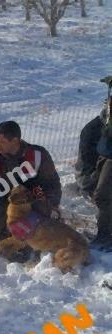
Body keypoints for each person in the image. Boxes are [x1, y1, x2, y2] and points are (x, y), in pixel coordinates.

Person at [0, 120, 62, 246]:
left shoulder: (38, 155)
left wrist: (52, 206)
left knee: (38, 242)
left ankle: (23, 239)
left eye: (2, 142)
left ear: (15, 141)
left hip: (30, 205)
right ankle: (7, 237)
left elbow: (52, 183)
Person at [75, 79, 112, 250]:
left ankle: (106, 236)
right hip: (101, 171)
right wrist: (87, 185)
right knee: (103, 196)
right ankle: (106, 235)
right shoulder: (93, 130)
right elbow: (86, 163)